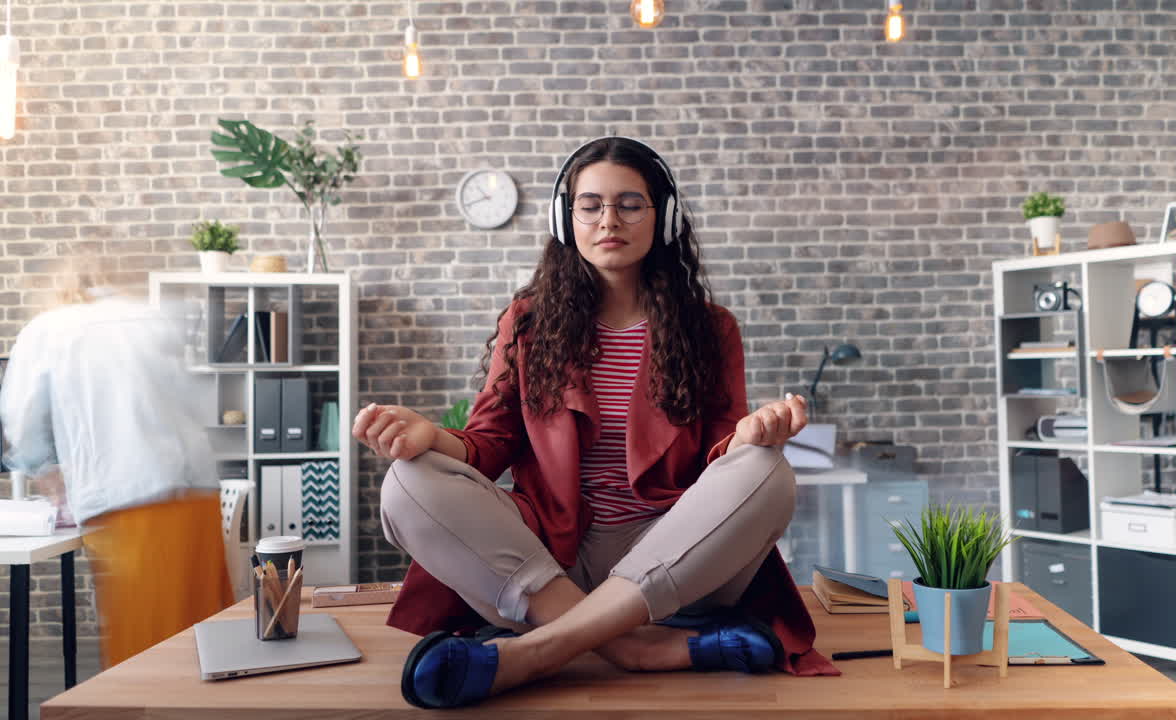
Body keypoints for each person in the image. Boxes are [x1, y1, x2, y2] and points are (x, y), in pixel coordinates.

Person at [353, 137, 837, 709]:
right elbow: (490, 443)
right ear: (567, 218)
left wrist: (751, 437)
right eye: (590, 205)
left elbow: (719, 455)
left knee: (766, 469)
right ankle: (636, 649)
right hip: (547, 562)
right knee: (410, 480)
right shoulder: (528, 322)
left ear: (664, 218)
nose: (609, 219)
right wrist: (429, 437)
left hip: (670, 556)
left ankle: (541, 651)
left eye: (630, 204)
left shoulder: (711, 328)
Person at [0, 267, 233, 668]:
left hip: (132, 502)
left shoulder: (48, 330)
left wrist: (47, 476)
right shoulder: (148, 317)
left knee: (148, 652)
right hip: (198, 494)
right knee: (206, 636)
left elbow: (21, 425)